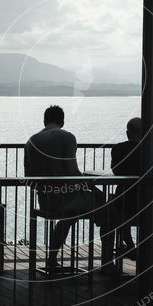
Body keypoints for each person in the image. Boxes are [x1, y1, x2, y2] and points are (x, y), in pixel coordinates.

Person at [24, 105, 106, 274]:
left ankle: (52, 259)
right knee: (107, 204)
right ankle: (109, 262)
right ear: (62, 120)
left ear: (45, 120)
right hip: (67, 200)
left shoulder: (31, 140)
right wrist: (92, 187)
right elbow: (72, 171)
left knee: (67, 220)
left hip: (45, 201)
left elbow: (28, 176)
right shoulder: (67, 137)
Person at [110, 117, 153, 264]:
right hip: (152, 203)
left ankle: (129, 247)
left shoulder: (118, 150)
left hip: (125, 202)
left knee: (113, 210)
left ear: (127, 133)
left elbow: (116, 171)